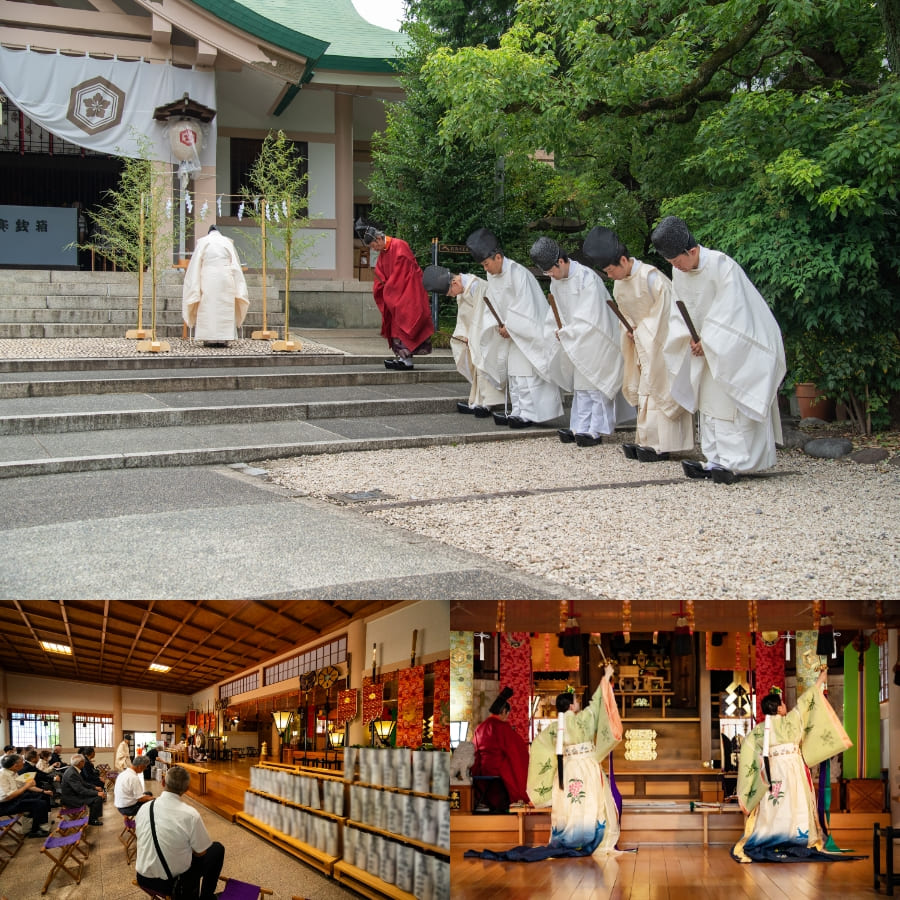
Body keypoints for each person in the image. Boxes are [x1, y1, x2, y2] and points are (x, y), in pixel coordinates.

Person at [651, 216, 786, 484]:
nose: (676, 267)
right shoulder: (680, 271)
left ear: (691, 251)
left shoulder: (722, 266)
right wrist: (688, 338)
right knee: (710, 406)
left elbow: (733, 312)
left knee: (730, 403)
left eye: (677, 261)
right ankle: (715, 459)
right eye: (671, 264)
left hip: (735, 349)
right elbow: (681, 310)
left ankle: (738, 462)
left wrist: (709, 341)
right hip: (706, 349)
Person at [582, 226, 694, 461]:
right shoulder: (619, 283)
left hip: (662, 344)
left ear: (623, 260)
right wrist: (630, 331)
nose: (609, 276)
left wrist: (641, 332)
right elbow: (625, 316)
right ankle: (646, 440)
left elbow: (665, 315)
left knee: (659, 389)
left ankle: (663, 445)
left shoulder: (651, 276)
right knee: (645, 392)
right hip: (643, 344)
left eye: (611, 270)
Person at [732, 669, 852, 863]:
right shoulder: (791, 720)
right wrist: (821, 679)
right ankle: (798, 840)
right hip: (794, 770)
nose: (785, 706)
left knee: (774, 805)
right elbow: (807, 700)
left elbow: (747, 749)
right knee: (796, 803)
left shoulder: (759, 731)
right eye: (782, 704)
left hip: (774, 772)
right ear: (779, 709)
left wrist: (758, 771)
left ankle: (772, 838)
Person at [465, 228, 565, 427]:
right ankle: (518, 410)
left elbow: (526, 306)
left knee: (526, 374)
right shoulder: (494, 277)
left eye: (486, 264)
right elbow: (493, 305)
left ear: (498, 257)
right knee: (515, 375)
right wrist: (498, 325)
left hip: (527, 333)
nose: (486, 269)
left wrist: (511, 326)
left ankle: (530, 414)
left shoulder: (518, 273)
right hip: (510, 334)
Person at [529, 236, 624, 447]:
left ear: (561, 261)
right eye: (546, 273)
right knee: (582, 387)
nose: (550, 275)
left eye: (551, 270)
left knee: (595, 383)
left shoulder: (586, 278)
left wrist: (569, 331)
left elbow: (591, 315)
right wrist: (556, 330)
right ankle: (579, 426)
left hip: (595, 339)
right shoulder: (556, 281)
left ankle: (596, 430)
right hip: (574, 339)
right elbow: (555, 313)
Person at [527, 667, 622, 856]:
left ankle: (568, 840)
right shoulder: (582, 721)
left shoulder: (554, 728)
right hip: (587, 767)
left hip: (566, 768)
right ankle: (591, 840)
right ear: (571, 706)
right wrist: (606, 677)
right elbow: (597, 703)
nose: (578, 702)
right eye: (576, 701)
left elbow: (538, 746)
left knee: (568, 803)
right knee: (590, 802)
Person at [421, 265, 507, 416]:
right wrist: (465, 335)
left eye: (450, 293)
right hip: (474, 333)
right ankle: (477, 401)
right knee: (472, 361)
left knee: (482, 362)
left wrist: (473, 336)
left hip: (489, 332)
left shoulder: (477, 286)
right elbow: (465, 318)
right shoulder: (462, 288)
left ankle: (486, 404)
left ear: (455, 283)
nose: (452, 296)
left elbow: (482, 317)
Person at [135, 765, 225, 900]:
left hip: (143, 877)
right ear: (186, 789)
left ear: (163, 782)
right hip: (170, 884)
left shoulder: (144, 808)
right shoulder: (190, 815)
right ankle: (206, 896)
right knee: (217, 849)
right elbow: (201, 852)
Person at [355, 219, 434, 370]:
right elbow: (380, 275)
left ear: (378, 239)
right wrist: (382, 289)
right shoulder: (384, 253)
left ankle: (407, 361)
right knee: (395, 326)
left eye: (373, 246)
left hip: (410, 294)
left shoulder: (400, 246)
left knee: (406, 323)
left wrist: (389, 290)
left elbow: (403, 274)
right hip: (396, 295)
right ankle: (402, 359)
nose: (374, 249)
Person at [182, 225, 250, 346]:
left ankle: (209, 338)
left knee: (208, 305)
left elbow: (195, 264)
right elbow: (235, 264)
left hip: (208, 276)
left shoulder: (203, 242)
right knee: (224, 305)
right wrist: (238, 285)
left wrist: (194, 284)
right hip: (225, 275)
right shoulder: (227, 242)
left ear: (209, 232)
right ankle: (224, 338)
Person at [470, 687, 530, 811]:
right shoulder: (503, 728)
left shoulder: (480, 727)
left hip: (482, 772)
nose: (506, 717)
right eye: (507, 714)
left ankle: (483, 801)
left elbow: (474, 753)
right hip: (499, 773)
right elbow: (516, 751)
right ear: (503, 711)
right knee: (515, 764)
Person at [0, 753, 53, 837]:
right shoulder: (2, 775)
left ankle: (41, 821)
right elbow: (7, 796)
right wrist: (27, 786)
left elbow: (25, 786)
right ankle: (34, 830)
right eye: (22, 761)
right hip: (6, 804)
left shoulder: (13, 772)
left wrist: (43, 791)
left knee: (43, 796)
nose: (24, 763)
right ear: (15, 765)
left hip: (16, 798)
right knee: (39, 803)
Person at [60, 753, 106, 825]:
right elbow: (80, 790)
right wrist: (97, 793)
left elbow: (83, 783)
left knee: (95, 794)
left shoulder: (73, 769)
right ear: (80, 763)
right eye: (83, 761)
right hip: (71, 799)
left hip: (75, 795)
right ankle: (92, 820)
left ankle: (94, 816)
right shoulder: (72, 773)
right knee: (97, 798)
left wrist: (94, 787)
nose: (84, 763)